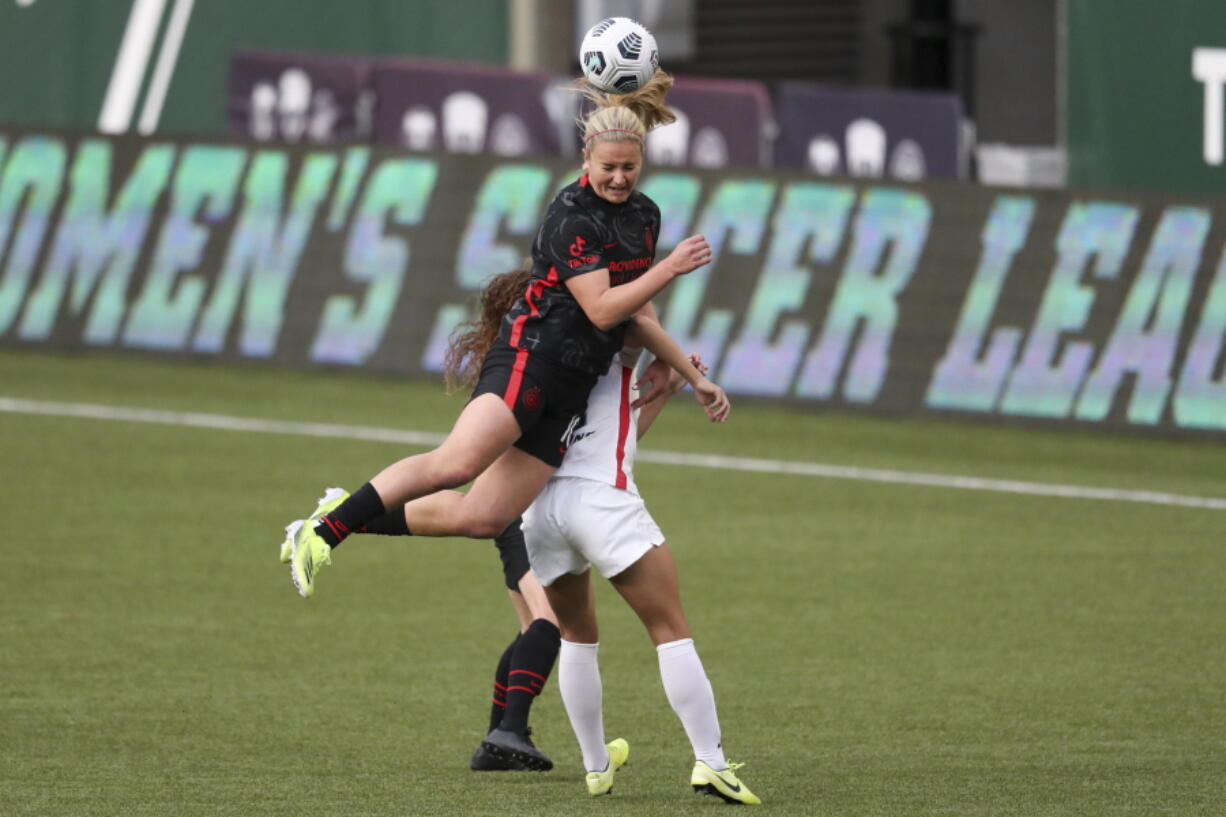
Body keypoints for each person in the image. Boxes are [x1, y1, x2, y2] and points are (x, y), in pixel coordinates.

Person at [285, 67, 727, 602]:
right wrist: (670, 267)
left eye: (629, 168)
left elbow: (638, 317)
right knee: (456, 464)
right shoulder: (570, 216)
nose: (618, 178)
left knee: (484, 515)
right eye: (608, 167)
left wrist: (690, 376)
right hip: (530, 359)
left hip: (572, 388)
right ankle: (324, 534)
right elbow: (605, 311)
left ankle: (344, 512)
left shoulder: (644, 216)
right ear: (586, 158)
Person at [521, 343, 761, 804]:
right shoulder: (615, 338)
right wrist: (681, 373)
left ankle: (596, 766)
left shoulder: (536, 353)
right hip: (600, 501)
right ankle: (711, 763)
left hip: (541, 507)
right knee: (670, 630)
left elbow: (613, 439)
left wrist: (666, 384)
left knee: (576, 634)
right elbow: (641, 314)